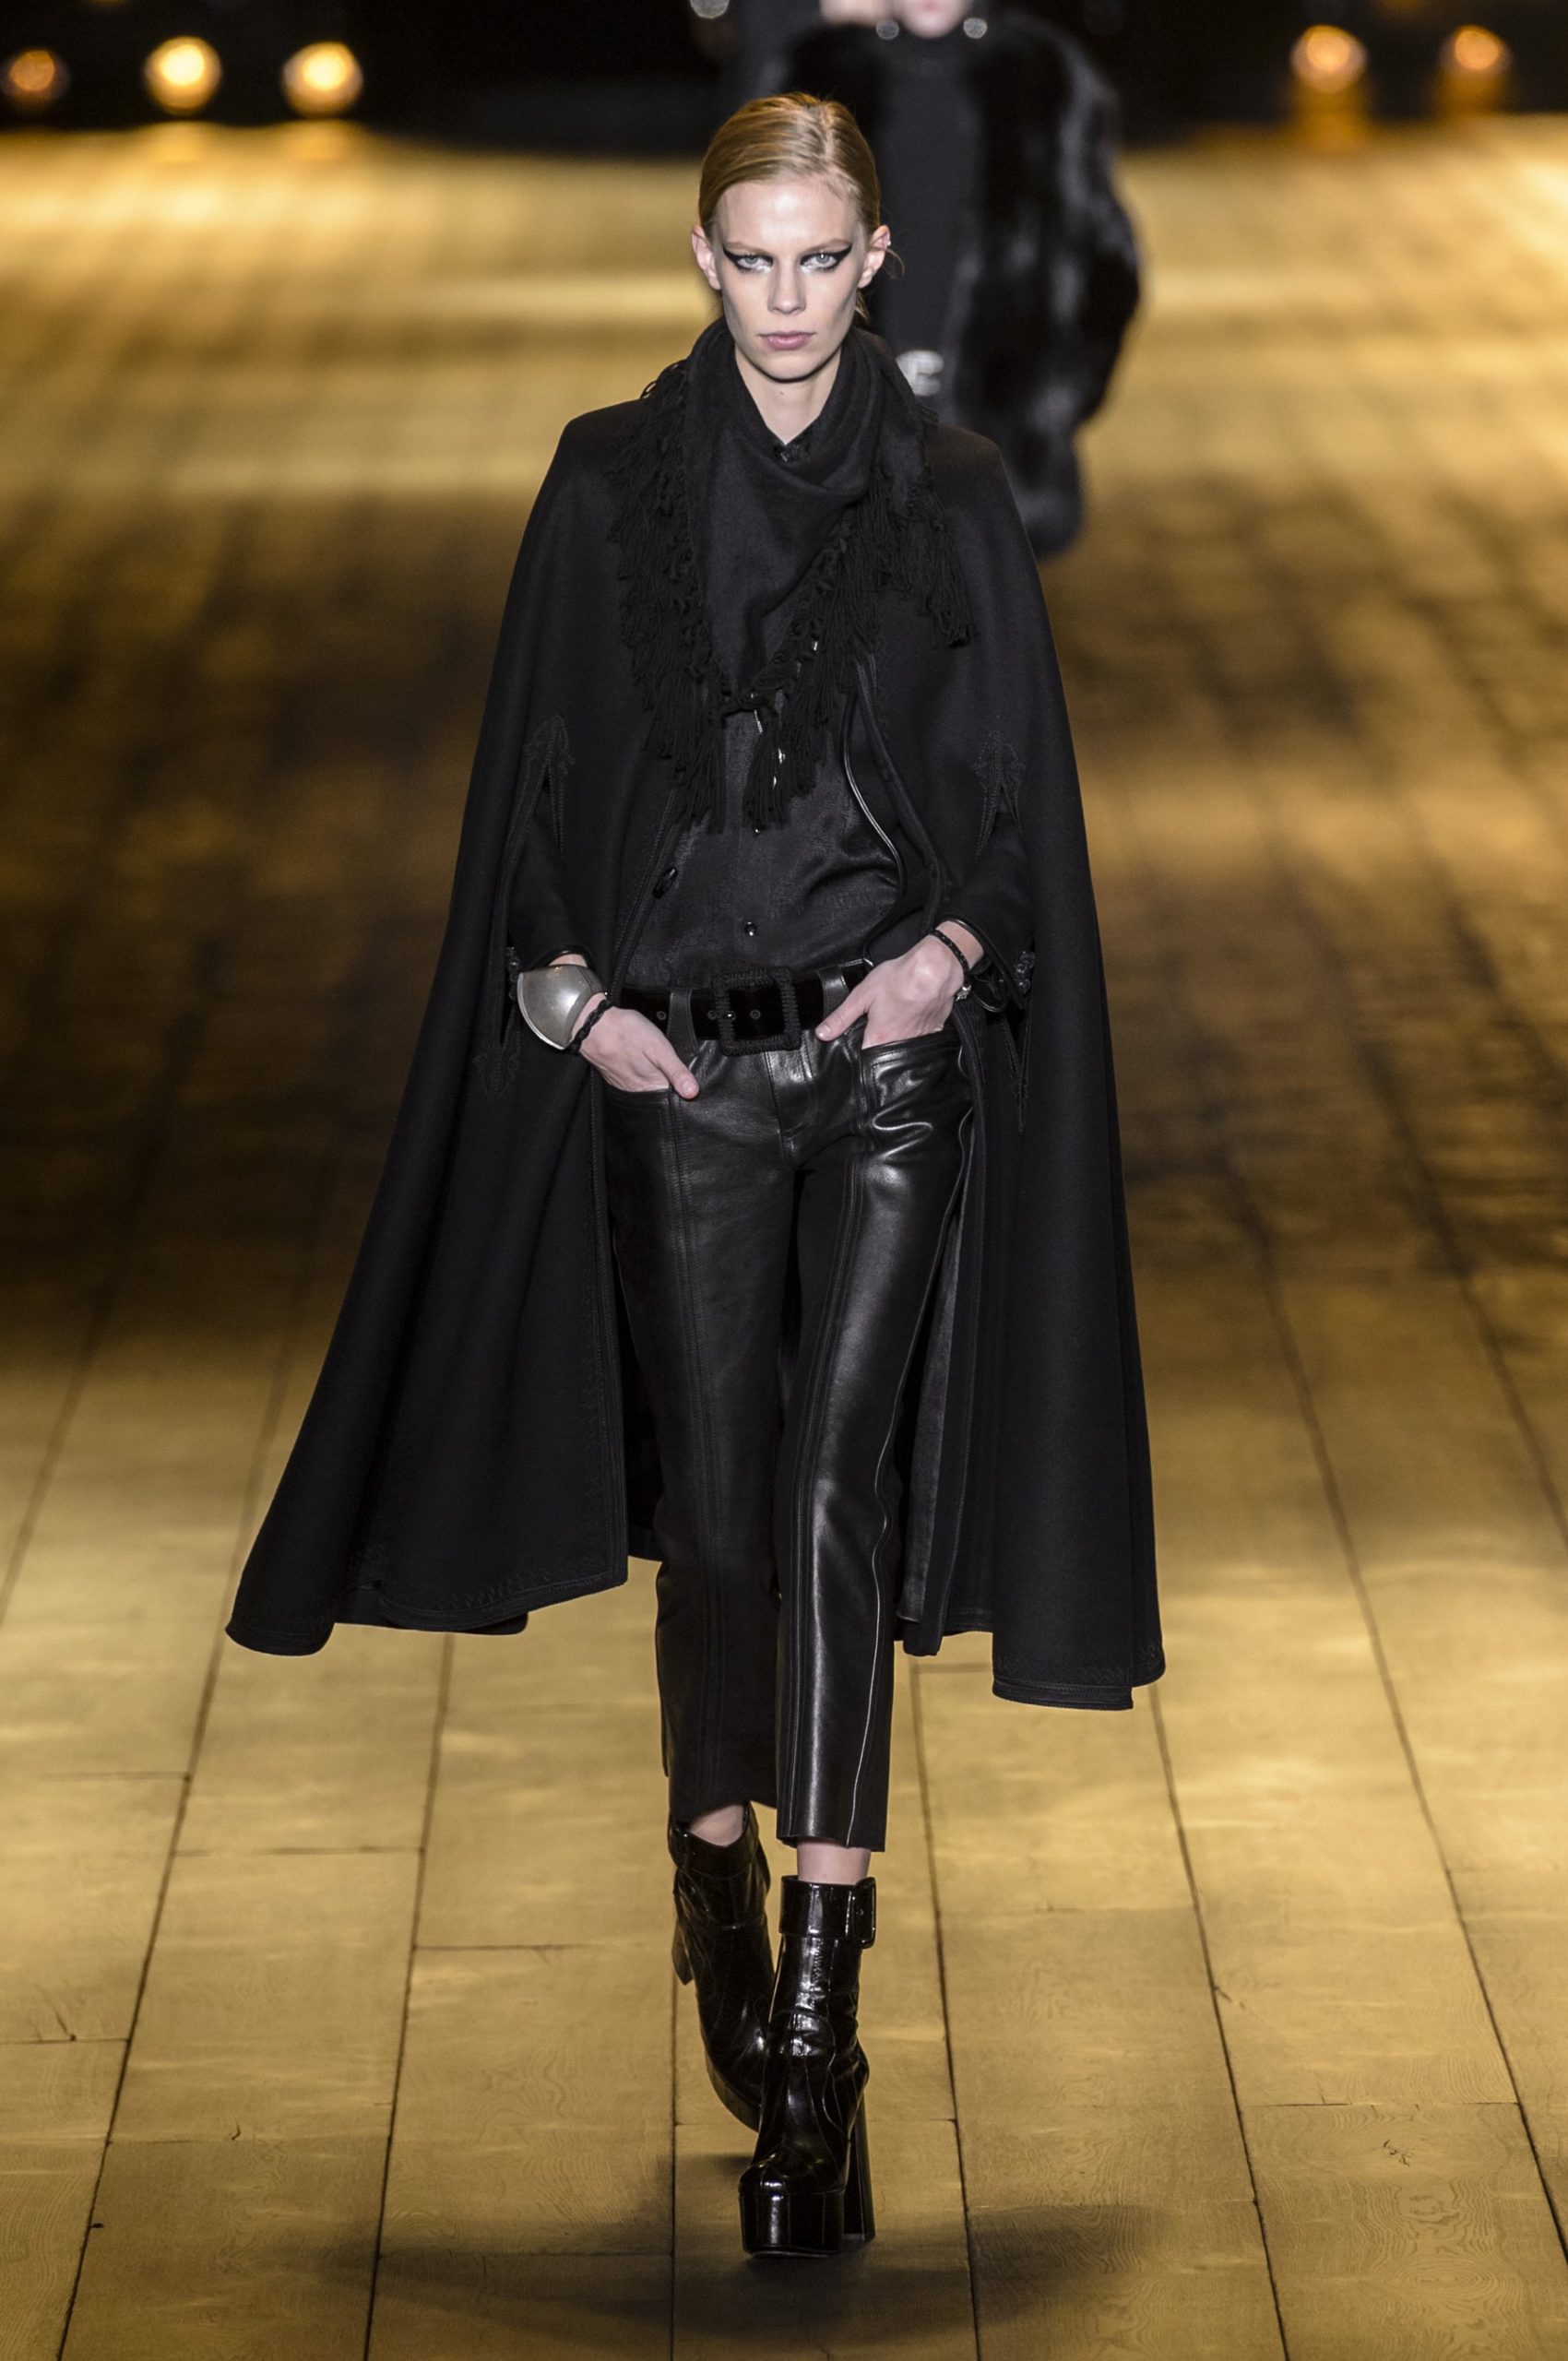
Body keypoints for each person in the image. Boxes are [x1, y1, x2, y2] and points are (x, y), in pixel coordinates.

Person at [224, 93, 1161, 2260]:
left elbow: (1015, 813)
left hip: (883, 1067)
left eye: (822, 258)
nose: (787, 298)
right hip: (683, 1072)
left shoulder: (949, 495)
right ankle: (711, 1870)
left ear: (874, 260)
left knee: (832, 1492)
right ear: (701, 257)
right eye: (752, 258)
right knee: (722, 1510)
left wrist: (945, 957)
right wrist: (575, 1002)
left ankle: (816, 2023)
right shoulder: (603, 485)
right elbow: (536, 796)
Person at [790, 0, 1141, 554]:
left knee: (987, 593)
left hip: (1000, 431)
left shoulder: (1044, 71)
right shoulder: (820, 71)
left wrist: (1054, 399)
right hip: (845, 422)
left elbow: (1107, 254)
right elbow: (751, 243)